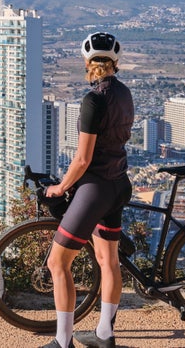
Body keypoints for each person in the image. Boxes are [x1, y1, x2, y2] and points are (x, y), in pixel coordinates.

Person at [41, 32, 134, 348]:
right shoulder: (124, 94)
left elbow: (82, 159)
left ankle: (62, 342)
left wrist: (61, 187)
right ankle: (104, 336)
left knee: (58, 263)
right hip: (119, 183)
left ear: (87, 61)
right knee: (108, 261)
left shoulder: (92, 100)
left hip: (96, 189)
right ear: (115, 62)